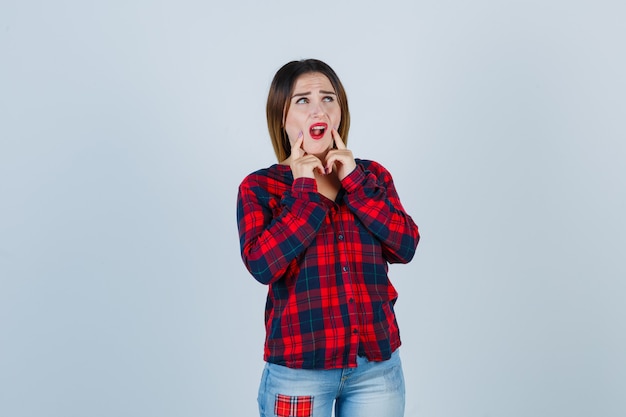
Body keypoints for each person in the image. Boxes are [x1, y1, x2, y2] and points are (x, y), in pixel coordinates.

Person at [236, 58, 420, 417]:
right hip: (298, 372)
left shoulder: (371, 176)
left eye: (328, 98)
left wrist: (353, 179)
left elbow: (405, 245)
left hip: (376, 368)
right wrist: (304, 190)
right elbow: (262, 266)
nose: (318, 108)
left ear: (340, 112)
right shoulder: (260, 187)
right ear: (282, 116)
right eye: (303, 100)